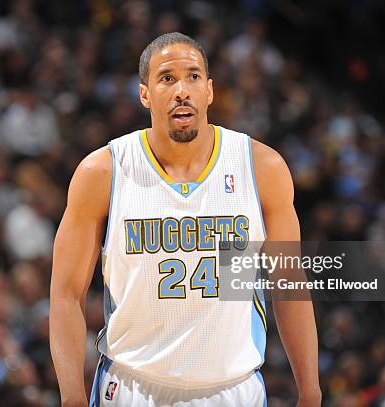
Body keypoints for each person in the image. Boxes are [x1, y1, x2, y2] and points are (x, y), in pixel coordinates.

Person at [50, 32, 321, 407]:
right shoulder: (103, 172)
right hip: (132, 387)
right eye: (166, 78)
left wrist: (310, 390)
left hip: (233, 389)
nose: (182, 90)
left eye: (193, 77)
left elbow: (288, 282)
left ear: (209, 91)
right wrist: (72, 398)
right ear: (144, 94)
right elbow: (66, 294)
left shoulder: (262, 168)